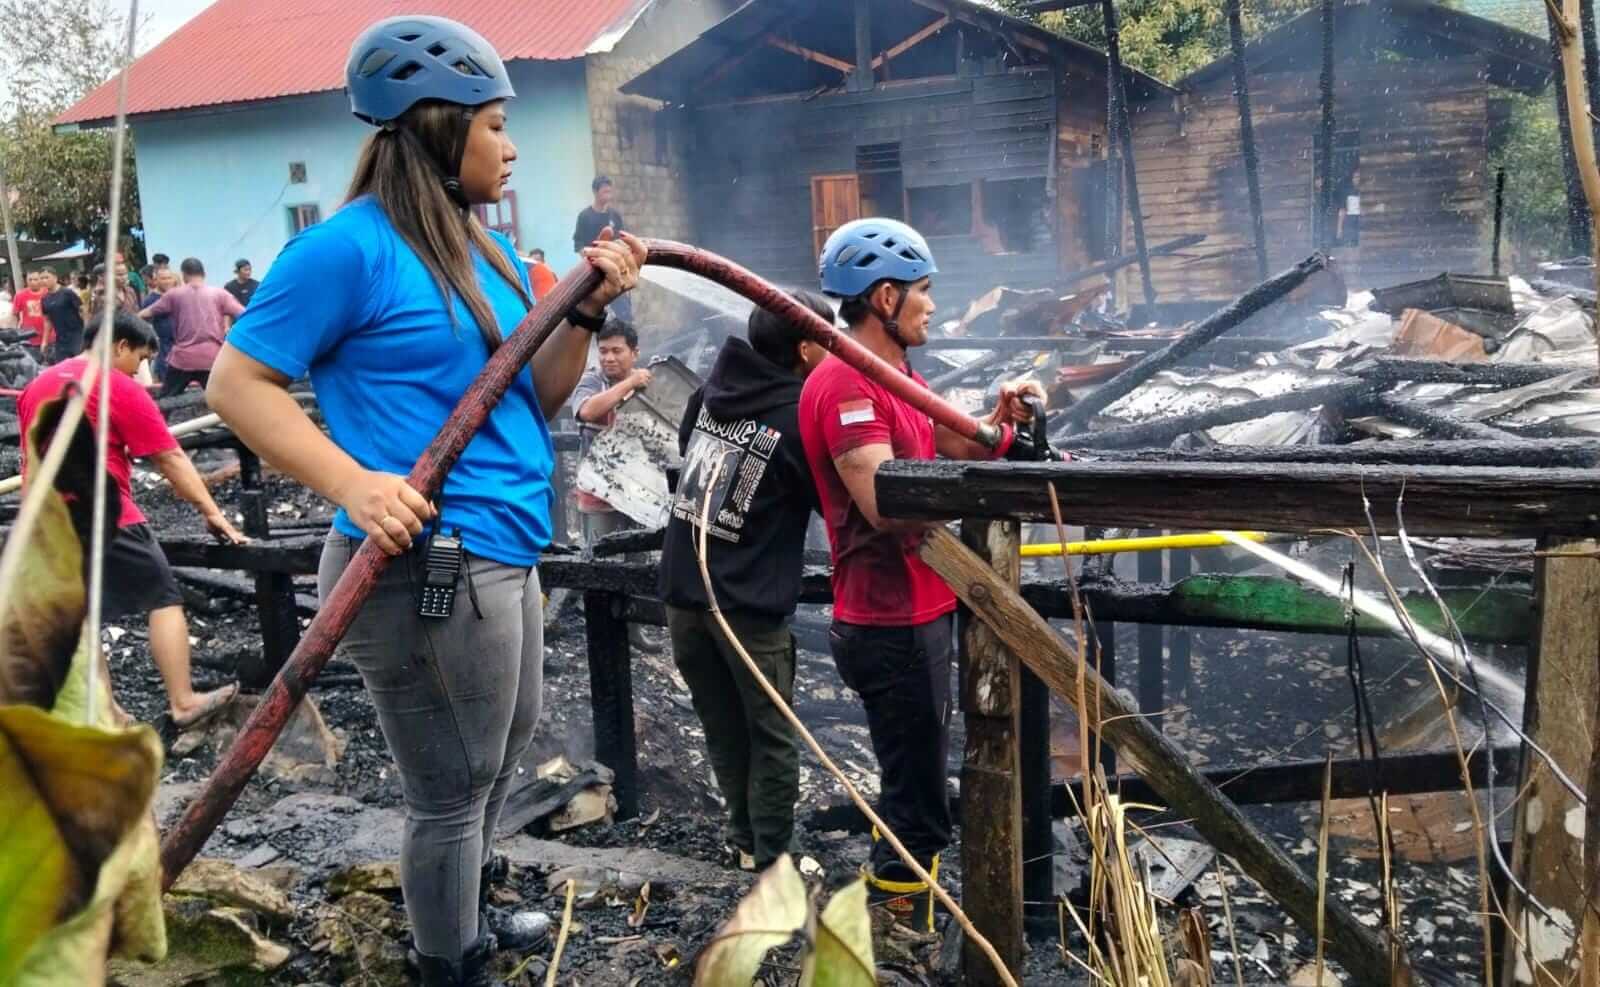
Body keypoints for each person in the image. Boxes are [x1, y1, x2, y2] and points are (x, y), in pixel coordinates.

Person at [205, 15, 645, 986]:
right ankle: (449, 961)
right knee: (449, 787)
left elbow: (534, 394)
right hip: (424, 561)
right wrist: (353, 482)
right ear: (440, 126)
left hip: (505, 542)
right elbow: (236, 385)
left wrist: (581, 312)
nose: (511, 143)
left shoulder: (481, 252)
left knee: (506, 744)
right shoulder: (346, 250)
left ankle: (467, 910)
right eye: (493, 123)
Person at [799, 218, 1043, 931]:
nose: (933, 305)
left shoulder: (895, 375)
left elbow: (939, 438)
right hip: (890, 623)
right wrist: (961, 475)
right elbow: (884, 501)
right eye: (924, 291)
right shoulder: (845, 384)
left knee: (919, 785)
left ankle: (904, 921)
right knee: (916, 800)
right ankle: (898, 932)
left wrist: (995, 424)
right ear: (884, 297)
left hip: (919, 614)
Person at [659, 290, 831, 874]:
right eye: (829, 342)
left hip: (683, 596)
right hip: (747, 609)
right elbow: (833, 501)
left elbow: (689, 456)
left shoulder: (709, 394)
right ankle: (775, 858)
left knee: (724, 725)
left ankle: (744, 841)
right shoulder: (800, 417)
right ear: (806, 350)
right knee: (772, 735)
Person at [16, 311, 247, 729]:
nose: (139, 369)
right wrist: (213, 514)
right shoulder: (113, 385)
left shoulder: (35, 387)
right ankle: (183, 701)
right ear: (119, 345)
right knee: (163, 598)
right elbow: (169, 457)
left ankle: (106, 715)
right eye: (139, 358)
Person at [570, 319, 648, 546]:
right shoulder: (591, 380)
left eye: (616, 351)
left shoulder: (647, 383)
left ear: (635, 353)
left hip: (640, 494)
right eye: (603, 351)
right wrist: (629, 383)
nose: (608, 358)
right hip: (598, 494)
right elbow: (586, 411)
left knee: (640, 565)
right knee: (601, 563)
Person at [140, 257, 244, 397]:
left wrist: (126, 320)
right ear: (204, 273)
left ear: (183, 275)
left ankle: (160, 418)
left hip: (183, 359)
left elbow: (146, 313)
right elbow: (244, 314)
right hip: (212, 358)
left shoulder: (174, 295)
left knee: (166, 400)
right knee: (223, 400)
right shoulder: (220, 294)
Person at [573, 177, 631, 320]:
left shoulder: (615, 216)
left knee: (625, 314)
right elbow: (578, 243)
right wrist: (589, 258)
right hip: (594, 271)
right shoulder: (585, 216)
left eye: (609, 192)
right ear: (595, 192)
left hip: (614, 270)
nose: (608, 195)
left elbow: (623, 240)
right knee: (595, 314)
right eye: (605, 192)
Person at [40, 267, 85, 364]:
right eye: (42, 278)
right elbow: (47, 321)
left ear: (55, 278)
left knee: (81, 365)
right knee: (63, 368)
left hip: (77, 336)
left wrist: (88, 333)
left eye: (47, 277)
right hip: (61, 340)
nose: (44, 280)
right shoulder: (44, 299)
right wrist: (44, 341)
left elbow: (83, 311)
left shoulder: (67, 293)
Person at [142, 267, 178, 382]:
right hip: (164, 347)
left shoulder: (179, 295)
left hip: (183, 345)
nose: (167, 281)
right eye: (163, 278)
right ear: (156, 280)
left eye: (169, 278)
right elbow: (145, 325)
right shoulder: (150, 300)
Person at [12, 269, 47, 358]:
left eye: (35, 279)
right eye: (30, 280)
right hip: (30, 339)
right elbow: (15, 314)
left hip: (49, 337)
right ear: (26, 281)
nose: (32, 282)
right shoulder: (20, 295)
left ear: (40, 280)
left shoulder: (48, 293)